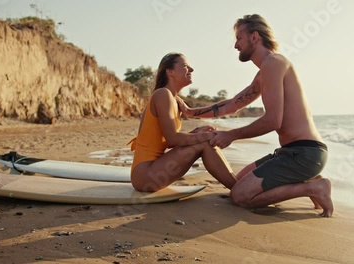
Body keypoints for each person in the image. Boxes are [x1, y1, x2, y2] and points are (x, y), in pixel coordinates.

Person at [177, 14, 334, 217]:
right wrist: (190, 112)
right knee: (238, 182)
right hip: (289, 153)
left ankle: (314, 187)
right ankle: (307, 179)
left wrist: (230, 135)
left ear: (254, 37)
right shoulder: (264, 72)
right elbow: (233, 104)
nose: (235, 46)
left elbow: (273, 120)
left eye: (238, 38)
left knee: (240, 196)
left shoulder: (274, 63)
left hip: (305, 154)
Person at [129, 52, 236, 192]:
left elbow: (165, 141)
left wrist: (195, 133)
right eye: (185, 66)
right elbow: (173, 139)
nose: (191, 70)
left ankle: (237, 185)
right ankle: (238, 188)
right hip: (145, 174)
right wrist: (209, 136)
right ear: (170, 72)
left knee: (203, 141)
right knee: (205, 142)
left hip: (153, 169)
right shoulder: (163, 94)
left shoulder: (174, 99)